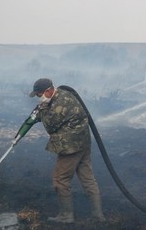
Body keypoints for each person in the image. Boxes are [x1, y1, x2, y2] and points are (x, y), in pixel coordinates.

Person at [28, 78, 105, 223]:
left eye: (40, 95)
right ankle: (98, 215)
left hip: (71, 146)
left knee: (60, 179)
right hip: (83, 143)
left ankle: (66, 215)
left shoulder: (59, 104)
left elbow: (50, 126)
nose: (40, 98)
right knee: (88, 179)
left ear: (49, 90)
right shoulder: (63, 93)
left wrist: (43, 108)